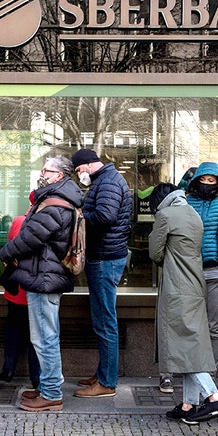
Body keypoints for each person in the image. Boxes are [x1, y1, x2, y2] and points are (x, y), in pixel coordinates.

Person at [0, 156, 83, 411]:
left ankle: (51, 393)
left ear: (59, 175)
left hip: (44, 278)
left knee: (45, 337)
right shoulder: (58, 198)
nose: (42, 173)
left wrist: (5, 252)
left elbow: (30, 237)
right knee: (45, 336)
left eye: (46, 170)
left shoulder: (55, 204)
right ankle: (47, 386)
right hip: (43, 275)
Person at [148, 183, 218, 425]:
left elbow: (155, 253)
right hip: (196, 285)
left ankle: (213, 397)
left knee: (183, 347)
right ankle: (189, 404)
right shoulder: (193, 213)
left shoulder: (165, 215)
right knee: (190, 342)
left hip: (176, 288)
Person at [159, 162, 218, 395]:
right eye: (203, 179)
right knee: (177, 322)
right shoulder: (184, 198)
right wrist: (184, 183)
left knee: (214, 327)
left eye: (213, 181)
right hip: (187, 270)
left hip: (215, 271)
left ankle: (208, 379)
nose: (207, 184)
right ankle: (168, 375)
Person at [71, 148, 132, 398]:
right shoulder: (105, 180)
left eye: (78, 170)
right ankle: (103, 373)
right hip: (105, 256)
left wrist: (80, 215)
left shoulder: (108, 181)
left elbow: (105, 216)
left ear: (87, 165)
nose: (78, 175)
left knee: (105, 321)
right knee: (102, 319)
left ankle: (107, 382)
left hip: (106, 258)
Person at [0, 191, 41, 389]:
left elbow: (9, 248)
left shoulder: (18, 221)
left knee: (13, 327)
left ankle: (8, 368)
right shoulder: (47, 223)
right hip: (36, 285)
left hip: (16, 286)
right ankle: (36, 377)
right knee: (37, 333)